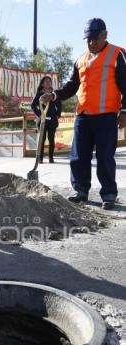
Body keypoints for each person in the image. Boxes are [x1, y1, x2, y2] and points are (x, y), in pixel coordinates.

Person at [41, 18, 126, 210]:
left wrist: (124, 111)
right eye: (88, 38)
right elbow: (71, 87)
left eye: (95, 38)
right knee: (79, 156)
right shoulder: (80, 59)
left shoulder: (117, 55)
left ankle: (109, 194)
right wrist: (54, 95)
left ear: (105, 35)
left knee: (105, 156)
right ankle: (80, 190)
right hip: (83, 116)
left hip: (106, 116)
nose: (91, 42)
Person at [31, 76, 62, 163]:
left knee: (51, 139)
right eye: (46, 81)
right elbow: (33, 106)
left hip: (52, 120)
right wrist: (40, 115)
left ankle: (51, 158)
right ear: (42, 84)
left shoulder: (53, 94)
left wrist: (57, 115)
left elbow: (59, 105)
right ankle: (40, 158)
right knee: (42, 139)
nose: (48, 83)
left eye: (49, 81)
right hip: (42, 121)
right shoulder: (39, 94)